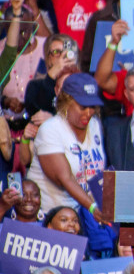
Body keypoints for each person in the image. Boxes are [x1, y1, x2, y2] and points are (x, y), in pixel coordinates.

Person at [26, 73, 105, 220]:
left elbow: (95, 173)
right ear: (66, 102)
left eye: (92, 106)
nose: (89, 113)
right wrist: (93, 207)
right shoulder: (51, 129)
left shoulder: (94, 124)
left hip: (80, 216)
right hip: (49, 218)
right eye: (83, 107)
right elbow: (64, 178)